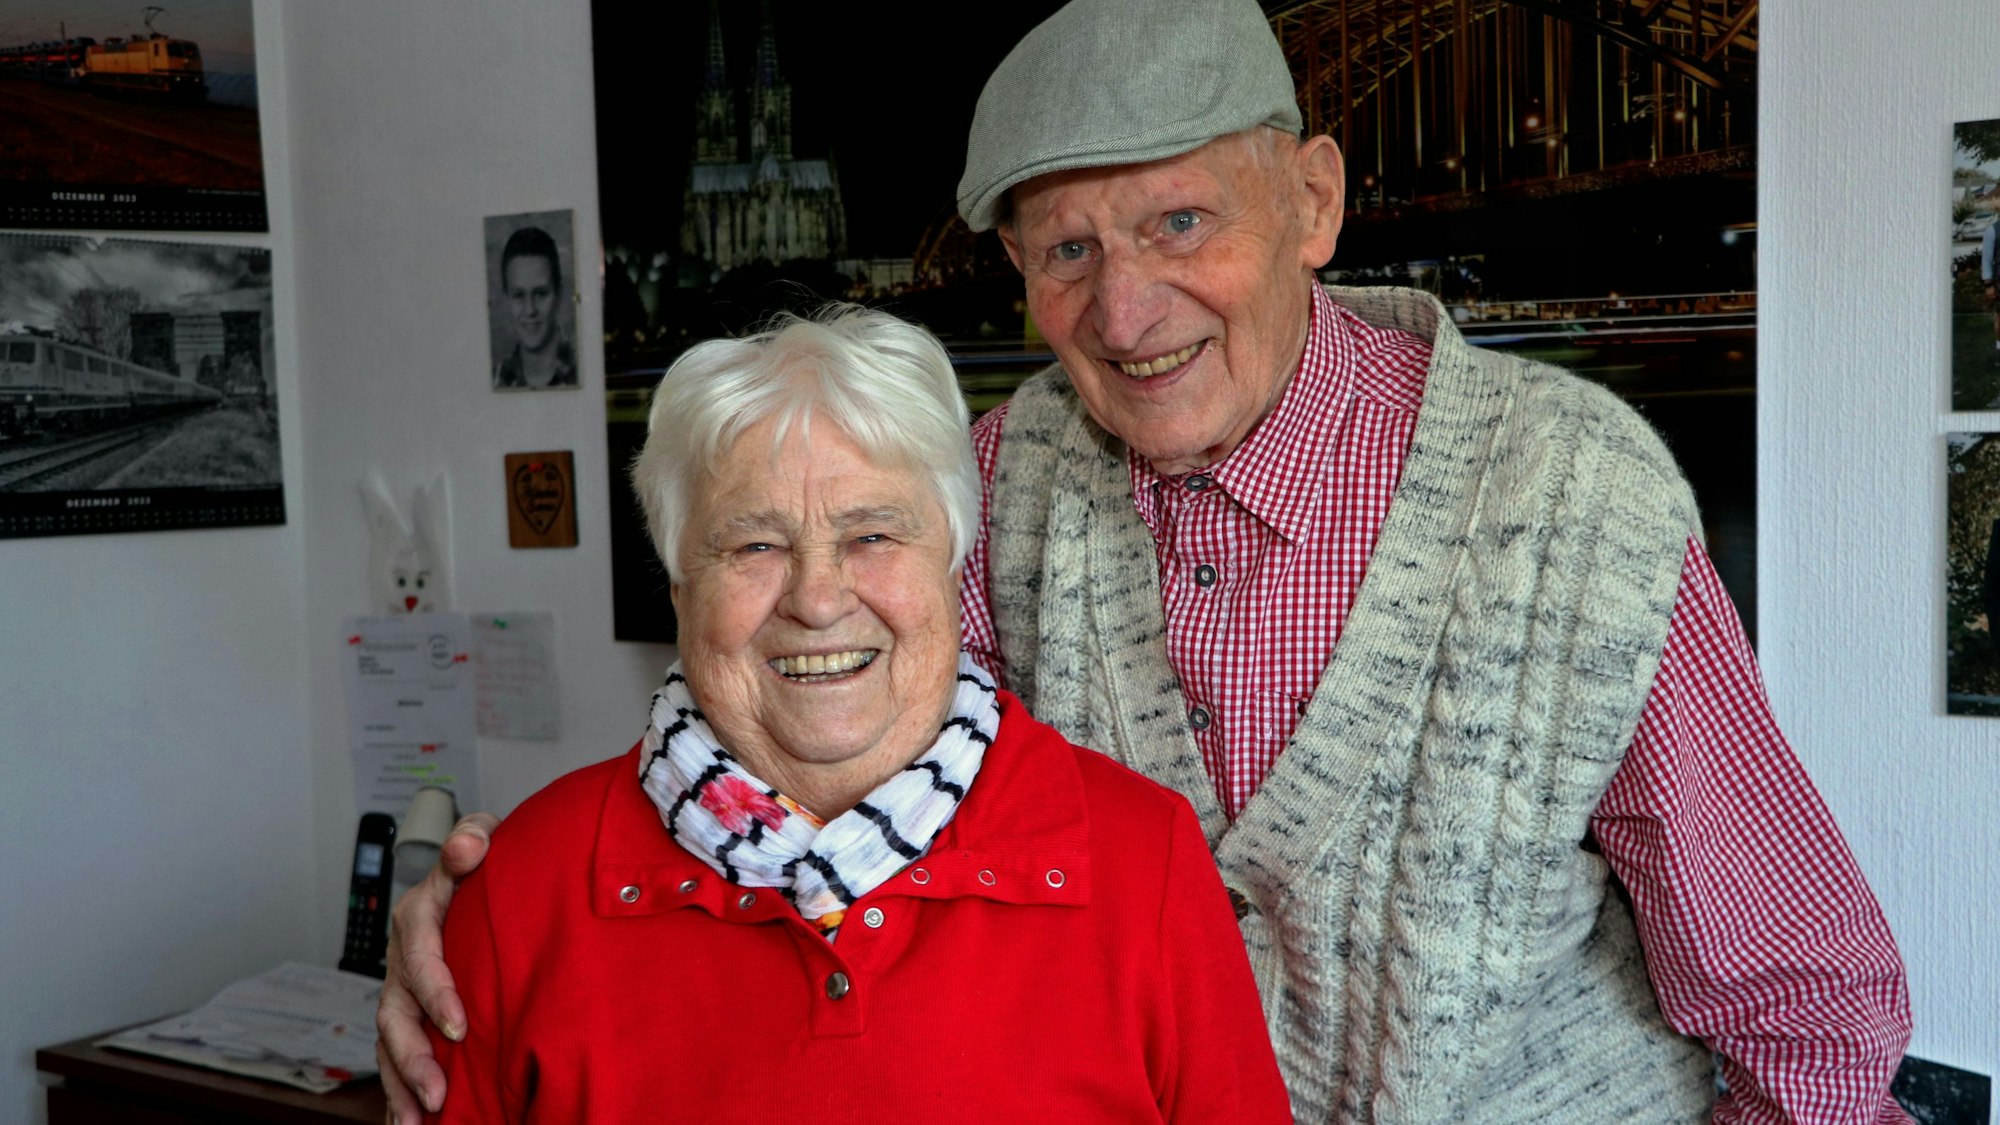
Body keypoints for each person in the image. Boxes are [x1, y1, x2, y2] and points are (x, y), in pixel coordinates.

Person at [382, 0, 1913, 1120]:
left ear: (1312, 201)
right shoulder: (992, 482)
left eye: (1181, 220)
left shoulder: (1574, 498)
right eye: (1066, 251)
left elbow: (1805, 1003)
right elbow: (800, 736)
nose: (1125, 312)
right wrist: (485, 911)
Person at [414, 304, 1290, 1122]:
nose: (819, 599)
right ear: (680, 583)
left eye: (872, 534)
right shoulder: (519, 892)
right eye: (754, 544)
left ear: (954, 559)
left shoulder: (1147, 863)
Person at [491, 225, 577, 389]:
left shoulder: (585, 372)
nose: (530, 310)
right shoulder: (495, 380)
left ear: (559, 294)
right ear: (506, 299)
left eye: (540, 294)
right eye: (518, 295)